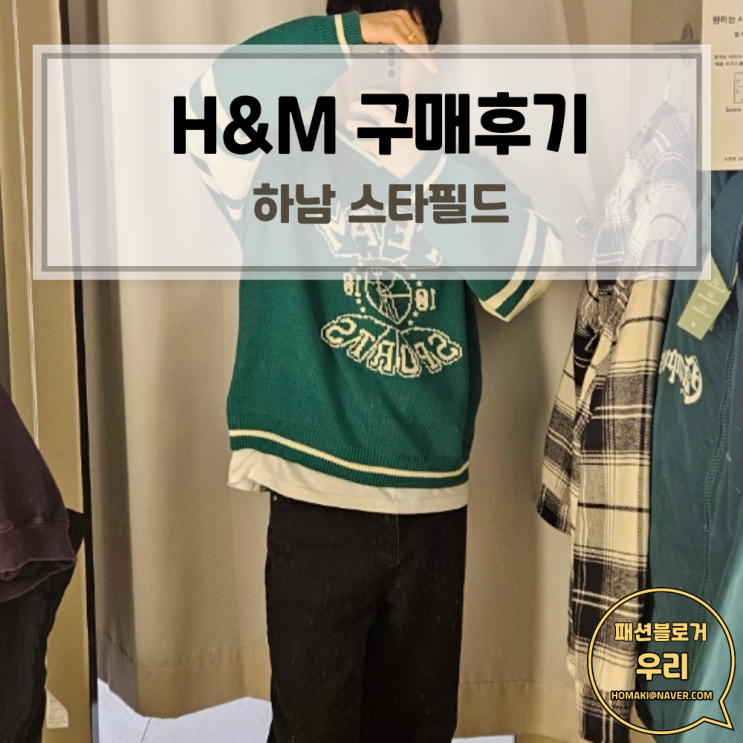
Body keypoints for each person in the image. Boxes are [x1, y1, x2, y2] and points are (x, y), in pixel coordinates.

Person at [185, 2, 562, 741]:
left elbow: (527, 274)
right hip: (315, 496)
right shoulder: (278, 153)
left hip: (431, 504)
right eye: (370, 43)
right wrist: (349, 36)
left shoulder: (451, 162)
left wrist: (416, 153)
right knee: (313, 726)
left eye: (406, 48)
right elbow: (207, 106)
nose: (386, 66)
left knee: (417, 725)